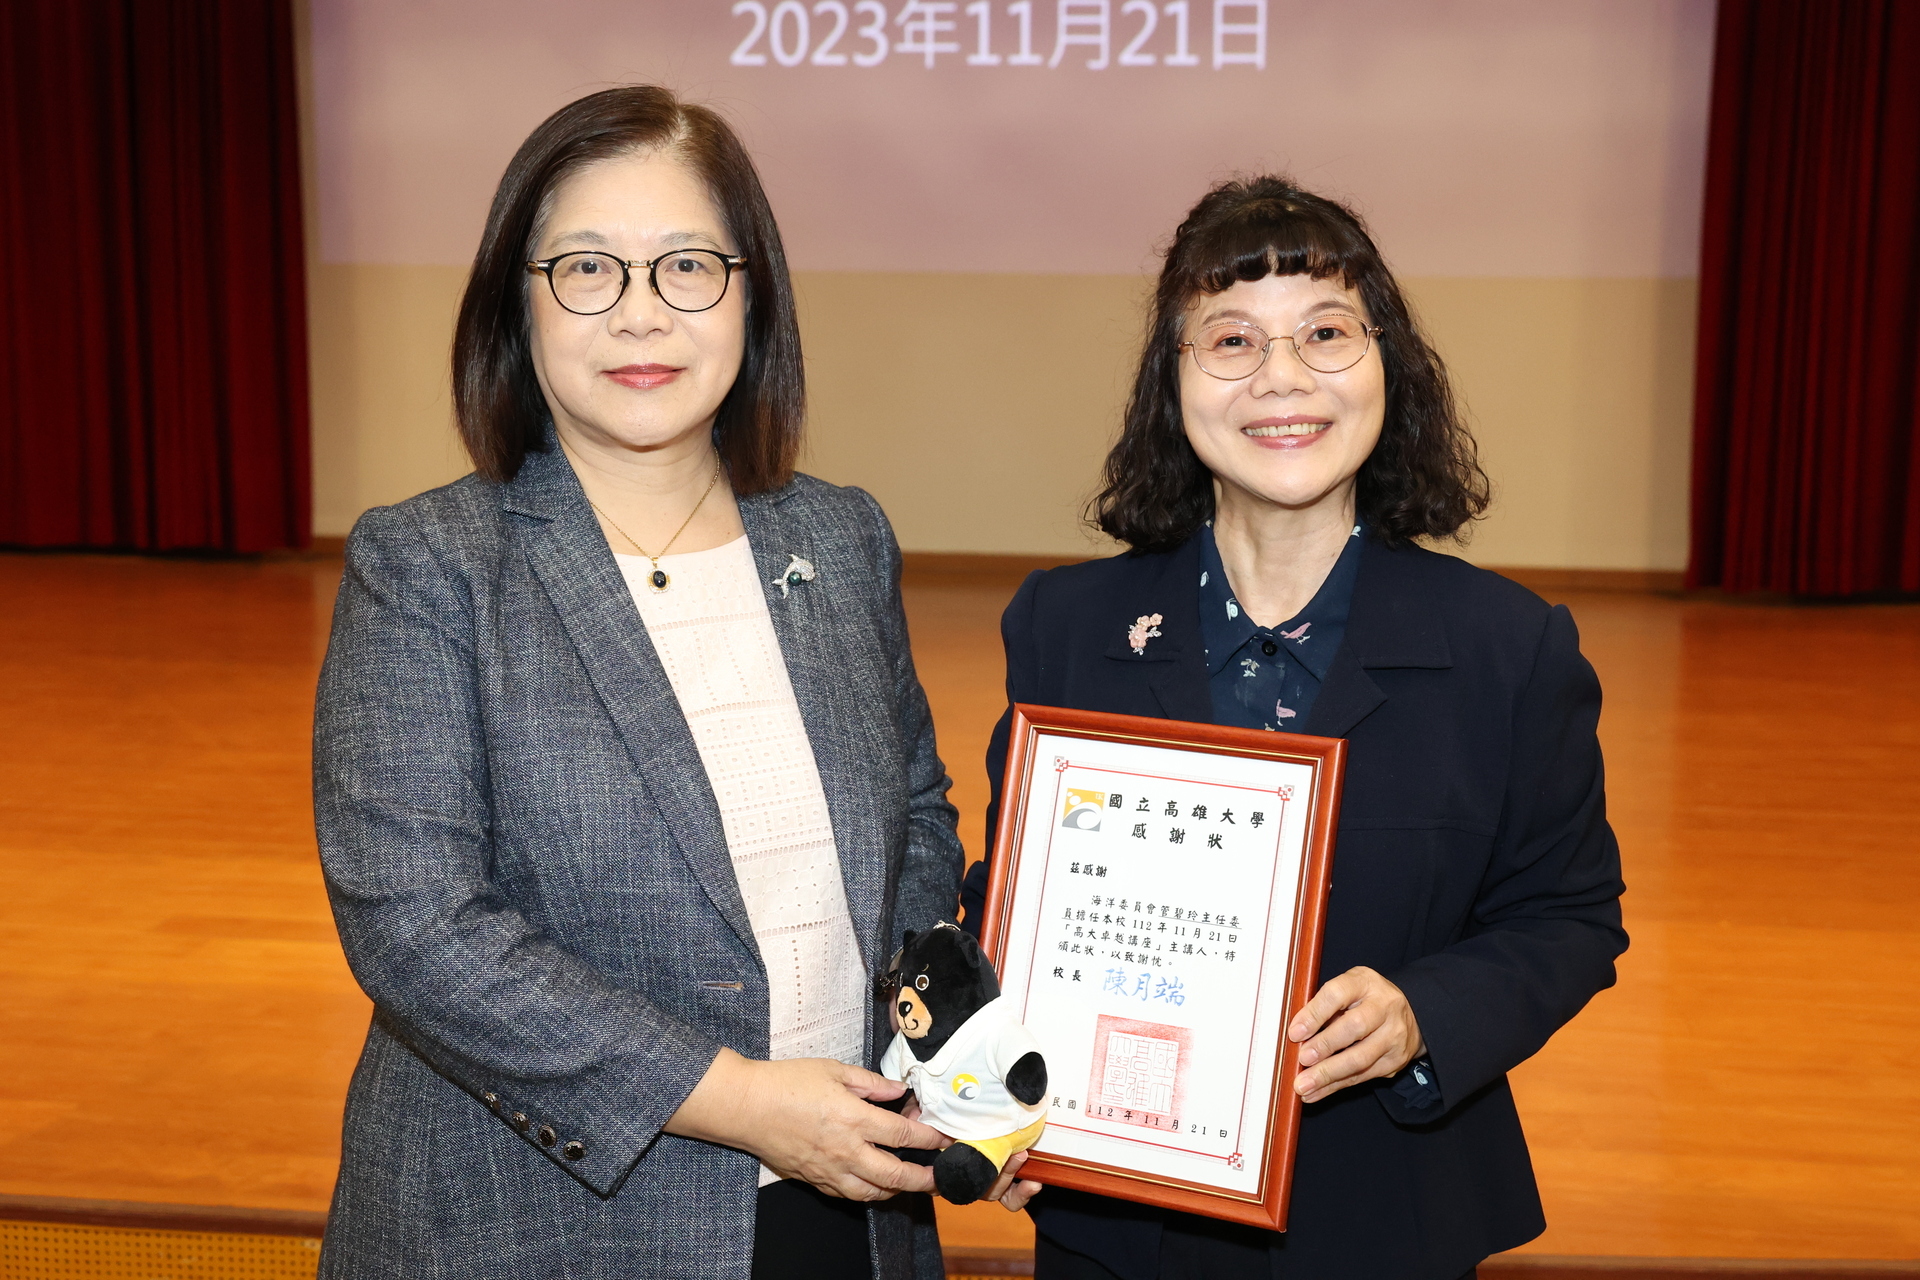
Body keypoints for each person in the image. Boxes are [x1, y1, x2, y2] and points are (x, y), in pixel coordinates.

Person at [314, 87, 962, 1280]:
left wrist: (956, 1059)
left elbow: (916, 824)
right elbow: (418, 927)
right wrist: (742, 1101)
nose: (640, 314)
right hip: (541, 1225)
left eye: (686, 267)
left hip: (844, 1208)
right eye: (587, 270)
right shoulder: (431, 564)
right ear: (518, 304)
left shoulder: (841, 534)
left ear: (752, 290)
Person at [960, 176, 1629, 1280]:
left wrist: (1425, 1011)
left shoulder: (1512, 647)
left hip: (1386, 1212)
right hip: (1119, 1222)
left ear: (1386, 366)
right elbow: (1013, 900)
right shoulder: (1066, 627)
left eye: (1325, 332)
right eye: (1231, 338)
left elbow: (1567, 916)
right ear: (1172, 383)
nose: (1282, 377)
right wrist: (1001, 1090)